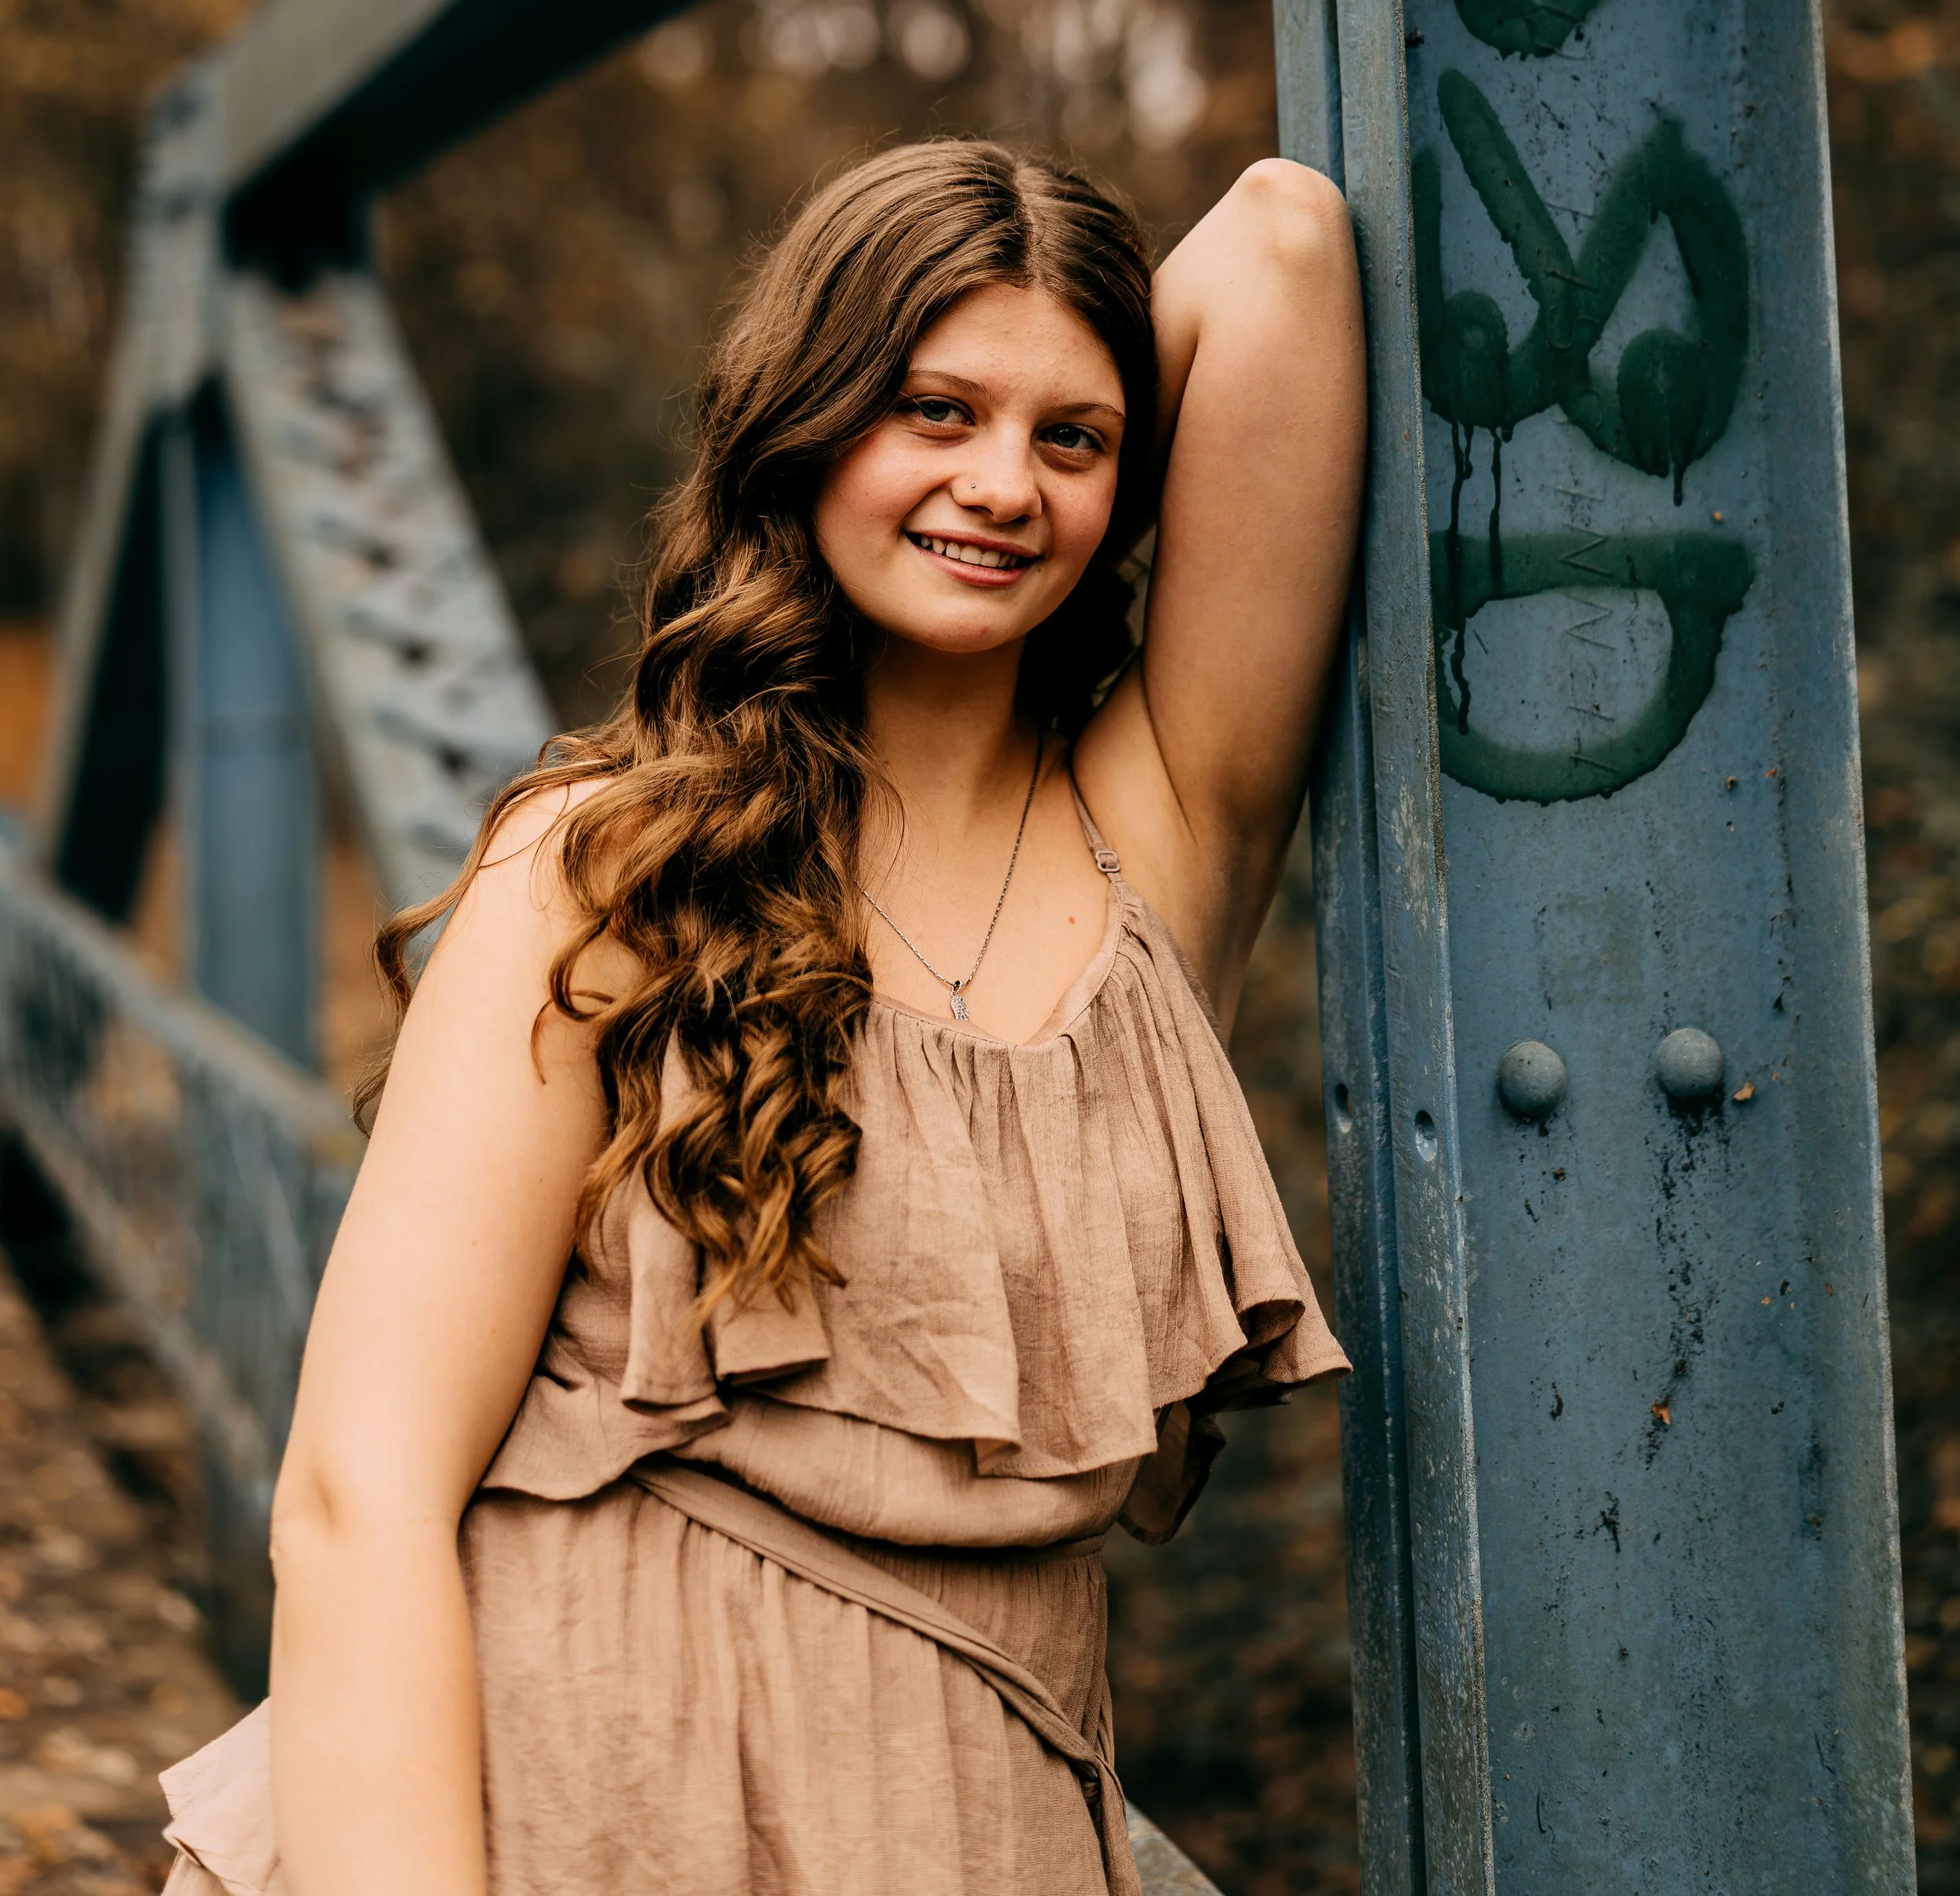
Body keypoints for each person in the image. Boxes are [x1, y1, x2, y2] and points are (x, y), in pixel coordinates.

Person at [158, 135, 1366, 1896]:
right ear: (802, 426)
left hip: (971, 1837)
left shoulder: (1159, 834)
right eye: (929, 411)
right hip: (543, 1804)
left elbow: (1281, 249)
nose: (1002, 486)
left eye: (1070, 438)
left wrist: (1042, 302)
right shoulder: (603, 873)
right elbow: (359, 1492)